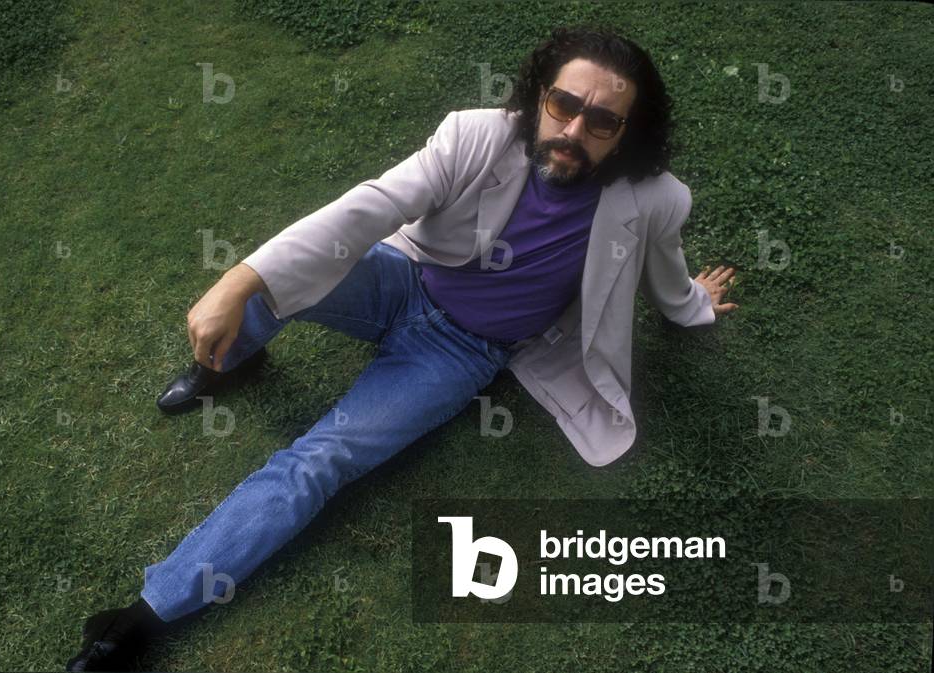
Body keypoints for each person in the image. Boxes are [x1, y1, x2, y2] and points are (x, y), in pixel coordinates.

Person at [66, 24, 739, 671]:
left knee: (321, 460)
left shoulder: (654, 201)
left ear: (626, 134)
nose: (572, 131)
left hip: (462, 351)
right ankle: (229, 361)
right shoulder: (475, 134)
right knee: (283, 278)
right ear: (540, 95)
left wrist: (694, 305)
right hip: (405, 278)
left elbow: (665, 277)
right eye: (563, 104)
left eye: (602, 121)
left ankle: (141, 618)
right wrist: (236, 279)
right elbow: (369, 206)